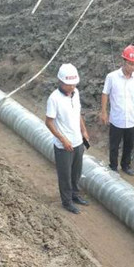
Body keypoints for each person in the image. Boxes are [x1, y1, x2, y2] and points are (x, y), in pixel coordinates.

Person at [45, 63, 90, 214]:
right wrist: (63, 140)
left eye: (74, 84)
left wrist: (83, 130)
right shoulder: (54, 99)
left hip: (78, 141)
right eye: (69, 84)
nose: (72, 87)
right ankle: (67, 201)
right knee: (65, 175)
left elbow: (77, 113)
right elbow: (49, 122)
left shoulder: (76, 93)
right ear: (61, 82)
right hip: (63, 146)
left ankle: (75, 195)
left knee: (76, 172)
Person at [100, 45, 134, 175]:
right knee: (114, 145)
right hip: (116, 119)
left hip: (130, 119)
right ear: (124, 61)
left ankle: (126, 165)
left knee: (129, 145)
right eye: (130, 64)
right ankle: (113, 166)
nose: (132, 67)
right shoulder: (112, 77)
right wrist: (103, 112)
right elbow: (105, 94)